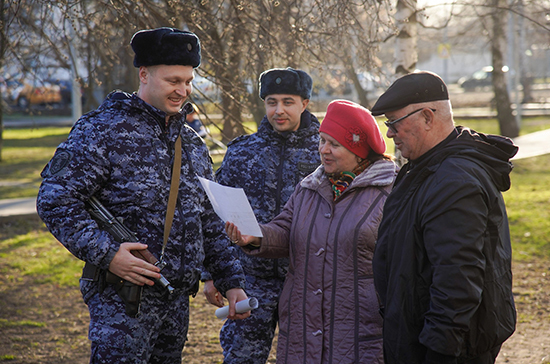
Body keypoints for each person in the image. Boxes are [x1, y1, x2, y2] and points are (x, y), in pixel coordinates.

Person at [36, 27, 249, 363]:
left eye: (188, 81)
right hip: (122, 301)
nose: (183, 91)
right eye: (173, 81)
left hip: (176, 302)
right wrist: (109, 254)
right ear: (144, 74)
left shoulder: (191, 143)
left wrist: (230, 280)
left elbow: (208, 219)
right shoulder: (102, 130)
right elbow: (55, 199)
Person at [226, 99, 399, 363]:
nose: (324, 151)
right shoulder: (310, 186)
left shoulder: (389, 192)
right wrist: (256, 236)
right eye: (322, 141)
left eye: (335, 144)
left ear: (359, 151)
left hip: (358, 327)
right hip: (303, 327)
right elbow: (286, 229)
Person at [370, 71, 518, 364]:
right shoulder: (424, 169)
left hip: (445, 350)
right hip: (423, 339)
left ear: (427, 116)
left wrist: (439, 352)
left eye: (394, 122)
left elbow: (457, 280)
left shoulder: (454, 180)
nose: (389, 133)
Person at [201, 67, 322, 363]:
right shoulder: (243, 152)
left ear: (305, 103)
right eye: (271, 102)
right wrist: (212, 274)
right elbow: (215, 213)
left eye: (288, 101)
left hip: (307, 280)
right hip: (249, 280)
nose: (278, 110)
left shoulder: (325, 152)